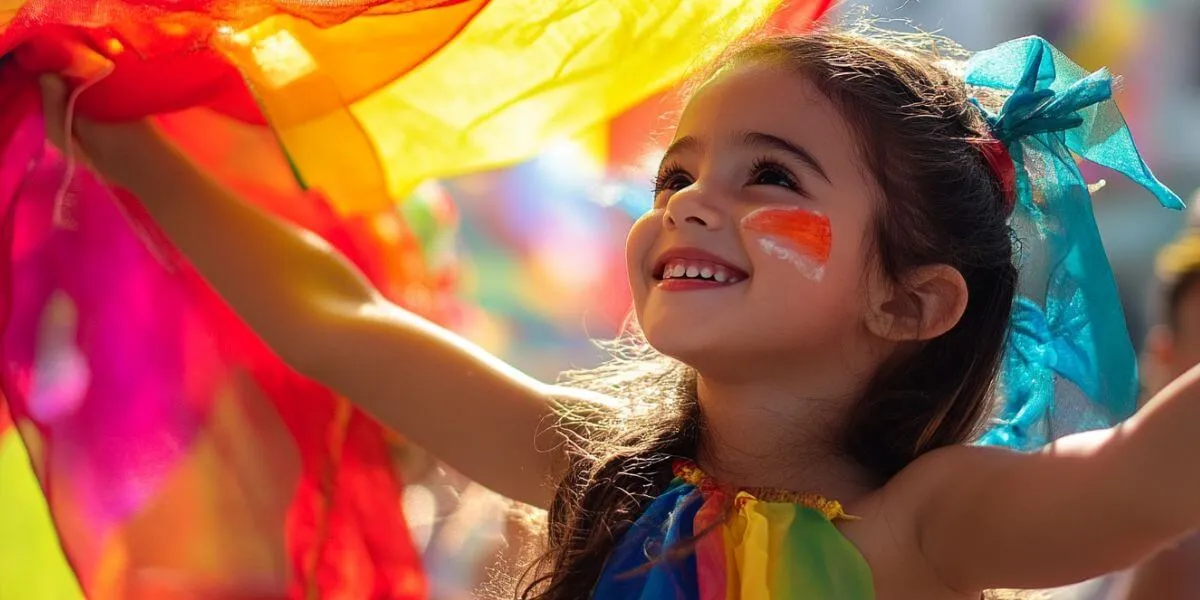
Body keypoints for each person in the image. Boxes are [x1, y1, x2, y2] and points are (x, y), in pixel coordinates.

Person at [28, 22, 1199, 600]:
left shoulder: (924, 527)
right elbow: (338, 324)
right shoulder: (601, 476)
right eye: (677, 177)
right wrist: (129, 145)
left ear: (910, 300)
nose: (691, 206)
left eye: (771, 178)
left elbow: (1148, 476)